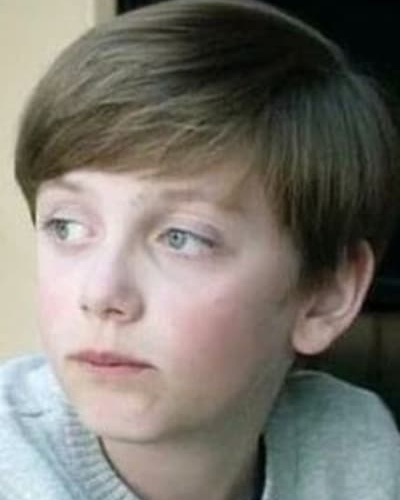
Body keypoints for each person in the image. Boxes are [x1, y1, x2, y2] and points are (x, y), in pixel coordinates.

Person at [1, 0, 399, 498]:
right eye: (66, 227)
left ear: (324, 295)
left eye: (181, 238)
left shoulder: (355, 451)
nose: (101, 293)